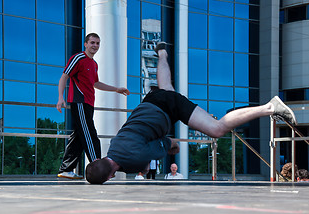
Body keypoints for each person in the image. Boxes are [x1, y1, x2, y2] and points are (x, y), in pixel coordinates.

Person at [85, 42, 297, 184]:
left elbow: (170, 143)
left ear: (111, 176)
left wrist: (173, 147)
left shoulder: (133, 160)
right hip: (149, 103)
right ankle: (162, 53)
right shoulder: (113, 145)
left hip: (167, 108)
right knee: (165, 85)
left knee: (216, 129)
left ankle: (270, 107)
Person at [56, 33, 130, 179]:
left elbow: (96, 83)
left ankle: (66, 169)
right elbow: (64, 76)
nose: (95, 46)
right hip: (79, 102)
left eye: (97, 43)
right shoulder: (78, 58)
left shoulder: (94, 64)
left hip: (89, 104)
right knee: (90, 134)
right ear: (85, 44)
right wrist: (60, 97)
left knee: (78, 137)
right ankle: (100, 167)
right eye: (92, 43)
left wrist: (116, 89)